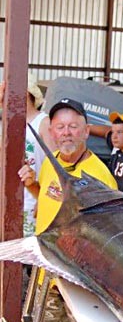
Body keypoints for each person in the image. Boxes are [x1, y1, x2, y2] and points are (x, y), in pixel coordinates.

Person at [18, 97, 117, 322]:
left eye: (73, 126)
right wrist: (31, 185)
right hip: (47, 269)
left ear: (86, 131)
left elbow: (109, 231)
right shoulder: (52, 163)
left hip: (81, 275)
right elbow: (46, 199)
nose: (66, 133)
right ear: (51, 132)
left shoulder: (100, 174)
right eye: (60, 127)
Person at [0, 75, 56, 237]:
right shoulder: (9, 124)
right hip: (13, 201)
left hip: (34, 199)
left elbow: (55, 163)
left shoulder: (43, 123)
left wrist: (44, 197)